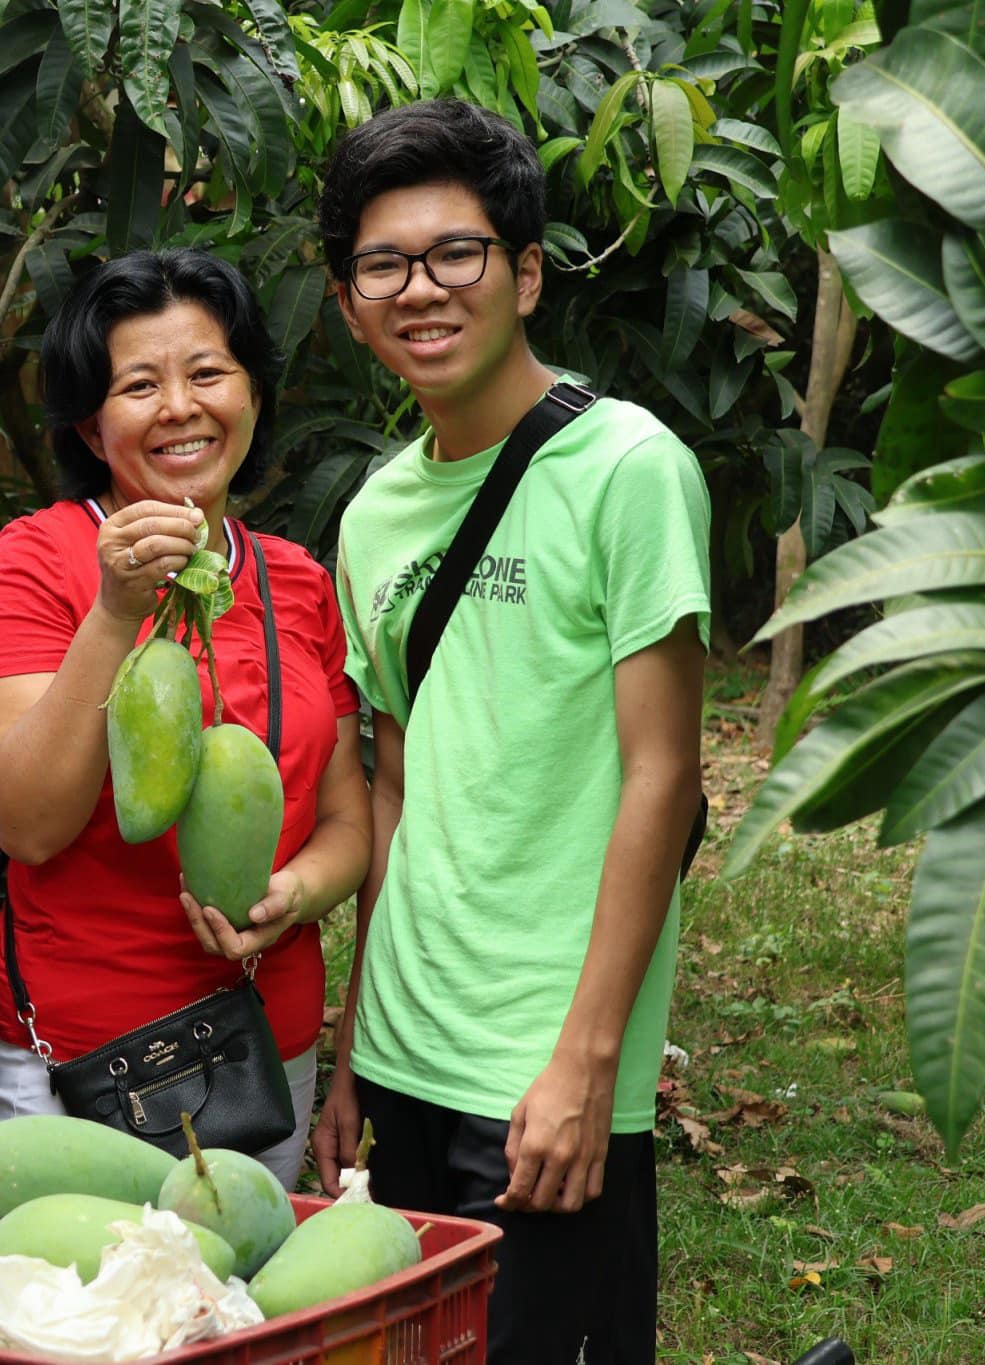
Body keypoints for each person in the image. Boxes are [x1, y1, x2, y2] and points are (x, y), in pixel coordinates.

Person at [311, 99, 710, 1363]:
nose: (419, 290)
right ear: (346, 301)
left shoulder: (627, 469)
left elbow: (664, 777)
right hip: (403, 1052)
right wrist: (347, 1053)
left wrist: (591, 1063)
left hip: (546, 1061)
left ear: (526, 273)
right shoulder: (372, 514)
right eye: (383, 264)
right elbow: (391, 788)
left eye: (455, 254)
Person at [0, 249, 371, 1189]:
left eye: (208, 373)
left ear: (252, 396)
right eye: (139, 385)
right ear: (92, 428)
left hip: (266, 1057)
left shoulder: (296, 580)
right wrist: (111, 610)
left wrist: (293, 894)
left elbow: (348, 817)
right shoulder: (37, 560)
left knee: (229, 1317)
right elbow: (23, 820)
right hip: (83, 1069)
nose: (180, 407)